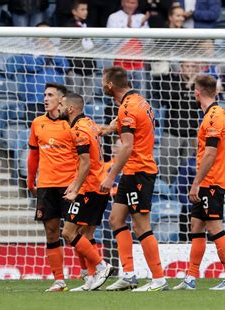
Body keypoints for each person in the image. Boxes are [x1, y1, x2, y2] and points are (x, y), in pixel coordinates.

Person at [100, 66, 168, 292]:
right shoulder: (139, 100)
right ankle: (128, 274)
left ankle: (158, 278)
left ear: (110, 85)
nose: (101, 85)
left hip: (139, 171)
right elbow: (129, 125)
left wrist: (110, 176)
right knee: (116, 220)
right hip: (133, 172)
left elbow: (127, 146)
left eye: (103, 82)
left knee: (141, 226)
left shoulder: (127, 108)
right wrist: (109, 128)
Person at [174, 75, 225, 291]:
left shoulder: (214, 117)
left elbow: (210, 154)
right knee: (197, 225)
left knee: (214, 226)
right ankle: (191, 277)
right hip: (209, 181)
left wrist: (196, 183)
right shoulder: (214, 114)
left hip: (211, 182)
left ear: (197, 92)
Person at [58, 92, 113, 291]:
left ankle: (101, 266)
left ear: (71, 109)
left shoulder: (79, 130)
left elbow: (85, 162)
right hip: (100, 185)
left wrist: (75, 189)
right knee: (86, 232)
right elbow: (102, 131)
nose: (59, 107)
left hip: (89, 187)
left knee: (68, 232)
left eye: (62, 104)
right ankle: (91, 278)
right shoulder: (89, 123)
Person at [26, 83, 77, 292]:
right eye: (44, 95)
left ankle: (93, 270)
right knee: (51, 232)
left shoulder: (72, 124)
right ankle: (59, 280)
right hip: (46, 185)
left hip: (70, 185)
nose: (45, 98)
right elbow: (33, 156)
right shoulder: (37, 123)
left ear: (61, 100)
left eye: (50, 95)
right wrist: (31, 181)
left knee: (74, 231)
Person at [64, 0, 96, 104]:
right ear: (74, 11)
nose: (85, 12)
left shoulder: (88, 25)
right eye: (82, 9)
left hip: (89, 68)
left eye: (86, 9)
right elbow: (66, 47)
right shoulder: (68, 26)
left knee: (87, 101)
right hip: (75, 68)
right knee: (73, 100)